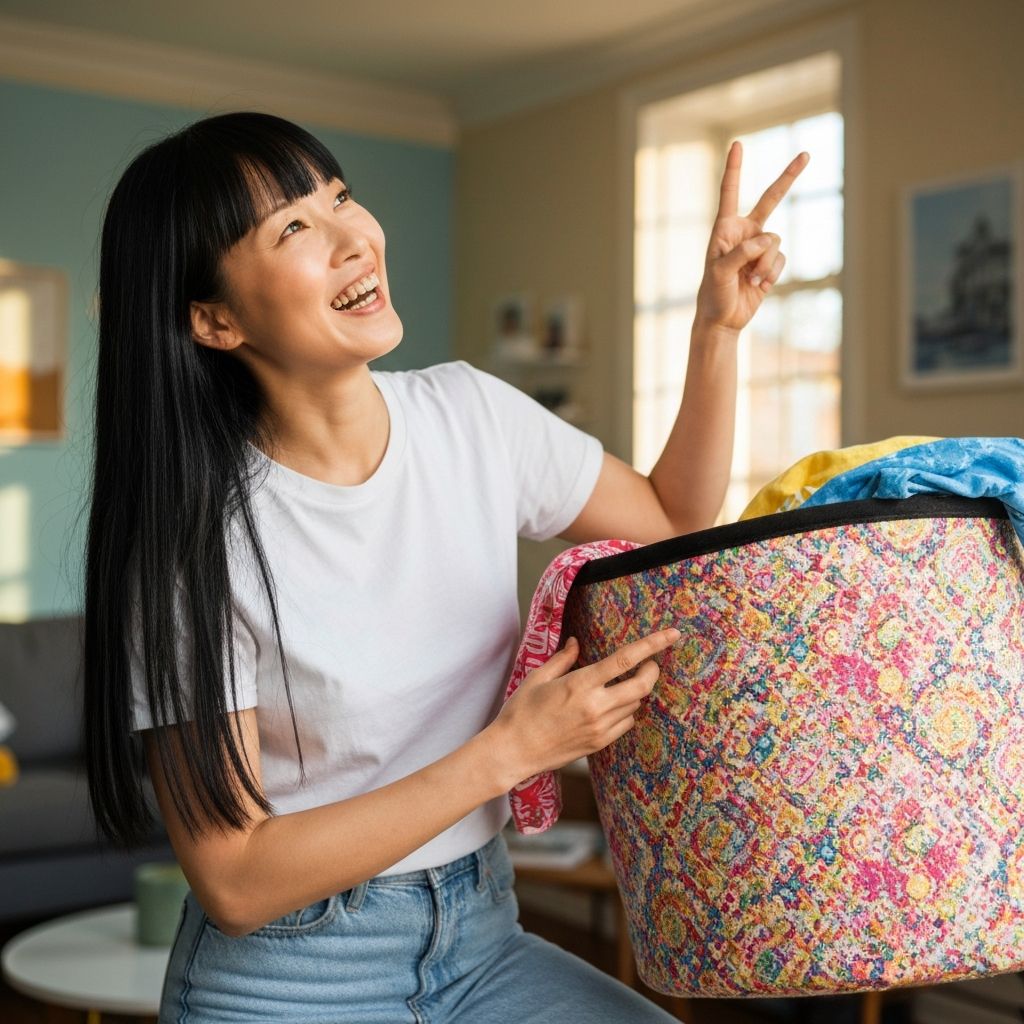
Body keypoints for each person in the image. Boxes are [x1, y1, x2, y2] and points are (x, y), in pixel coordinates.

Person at [82, 111, 806, 1023]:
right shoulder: (191, 540)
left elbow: (668, 518)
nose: (354, 237)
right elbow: (232, 876)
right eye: (295, 228)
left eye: (340, 196)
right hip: (289, 980)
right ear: (215, 319)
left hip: (480, 939)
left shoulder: (470, 416)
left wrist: (717, 330)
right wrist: (512, 752)